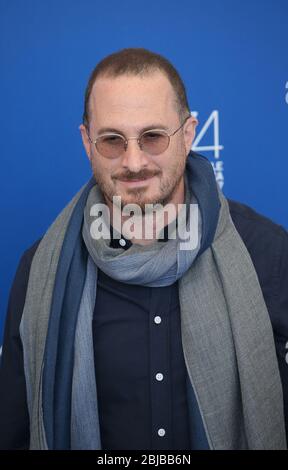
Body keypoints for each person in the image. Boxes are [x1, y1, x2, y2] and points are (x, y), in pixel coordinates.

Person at [0, 48, 287, 451]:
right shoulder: (40, 272)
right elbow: (13, 429)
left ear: (188, 135)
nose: (134, 162)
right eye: (112, 140)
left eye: (152, 137)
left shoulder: (268, 254)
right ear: (87, 142)